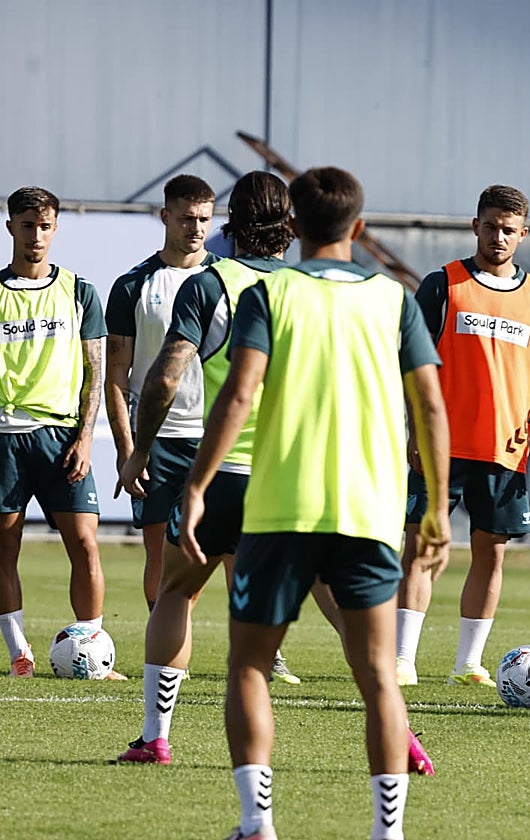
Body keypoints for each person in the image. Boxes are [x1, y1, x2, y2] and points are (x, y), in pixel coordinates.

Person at [177, 166, 450, 840]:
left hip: (279, 510)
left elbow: (239, 396)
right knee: (378, 676)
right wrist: (440, 509)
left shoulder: (271, 295)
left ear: (293, 227)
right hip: (369, 513)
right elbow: (432, 406)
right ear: (359, 229)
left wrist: (196, 485)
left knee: (248, 665)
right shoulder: (395, 300)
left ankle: (257, 824)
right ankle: (388, 833)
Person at [114, 172, 348, 765]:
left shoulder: (208, 284)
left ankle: (156, 737)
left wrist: (140, 449)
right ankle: (397, 728)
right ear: (288, 226)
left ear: (230, 222)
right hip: (292, 476)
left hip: (219, 472)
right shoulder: (310, 289)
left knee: (176, 589)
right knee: (337, 599)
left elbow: (164, 376)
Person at [394, 184, 530, 688]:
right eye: (490, 226)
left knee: (491, 553)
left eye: (509, 230)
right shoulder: (442, 284)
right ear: (475, 226)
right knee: (420, 549)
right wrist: (414, 428)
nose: (498, 237)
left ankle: (469, 662)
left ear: (523, 234)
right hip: (442, 444)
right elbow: (413, 362)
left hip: (506, 449)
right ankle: (403, 659)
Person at [0, 187, 118, 679]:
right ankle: (19, 654)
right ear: (11, 228)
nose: (36, 236)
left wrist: (86, 437)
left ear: (55, 229)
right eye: (27, 226)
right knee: (5, 550)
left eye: (45, 226)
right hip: (5, 436)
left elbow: (96, 368)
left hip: (61, 437)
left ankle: (90, 643)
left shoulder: (78, 290)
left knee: (86, 545)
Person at [105, 174, 216, 613]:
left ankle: (267, 651)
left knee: (217, 549)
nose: (197, 228)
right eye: (188, 218)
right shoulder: (133, 285)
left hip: (216, 436)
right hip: (157, 441)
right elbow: (116, 373)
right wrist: (127, 446)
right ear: (165, 216)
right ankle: (165, 641)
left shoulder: (224, 280)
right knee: (160, 551)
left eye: (205, 219)